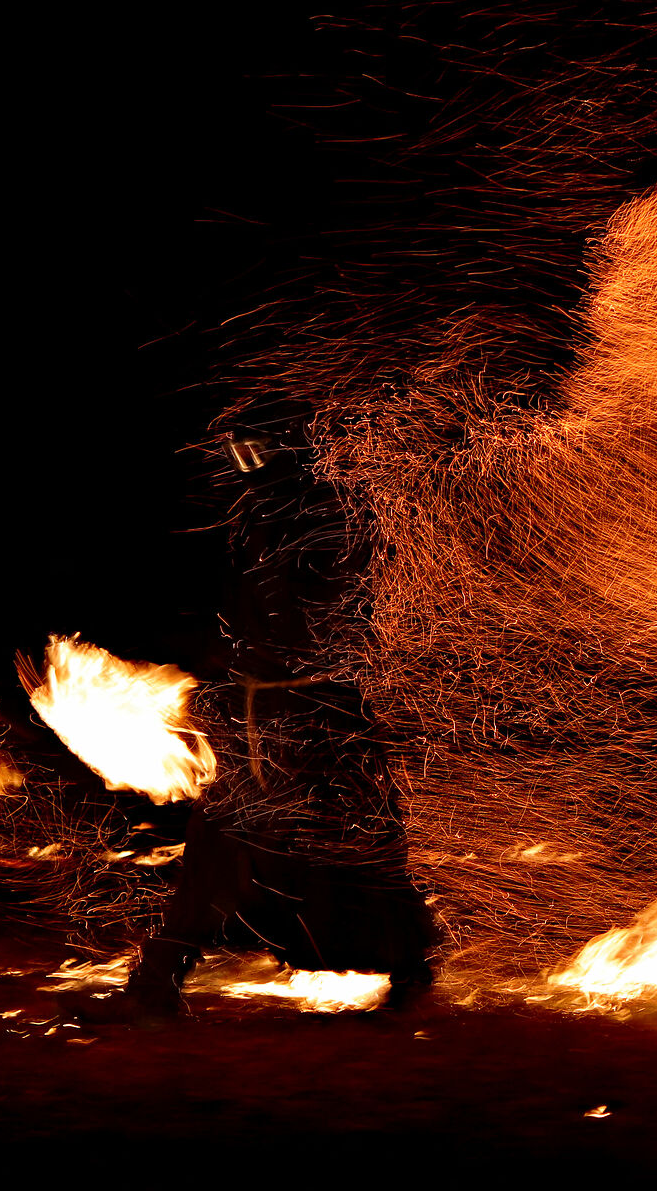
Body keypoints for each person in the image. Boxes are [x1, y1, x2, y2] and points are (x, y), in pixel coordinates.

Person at [102, 427, 435, 1021]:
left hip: (310, 709)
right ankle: (164, 969)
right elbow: (271, 621)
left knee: (329, 831)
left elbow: (330, 618)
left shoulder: (308, 523)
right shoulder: (275, 521)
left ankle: (404, 962)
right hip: (282, 710)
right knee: (247, 832)